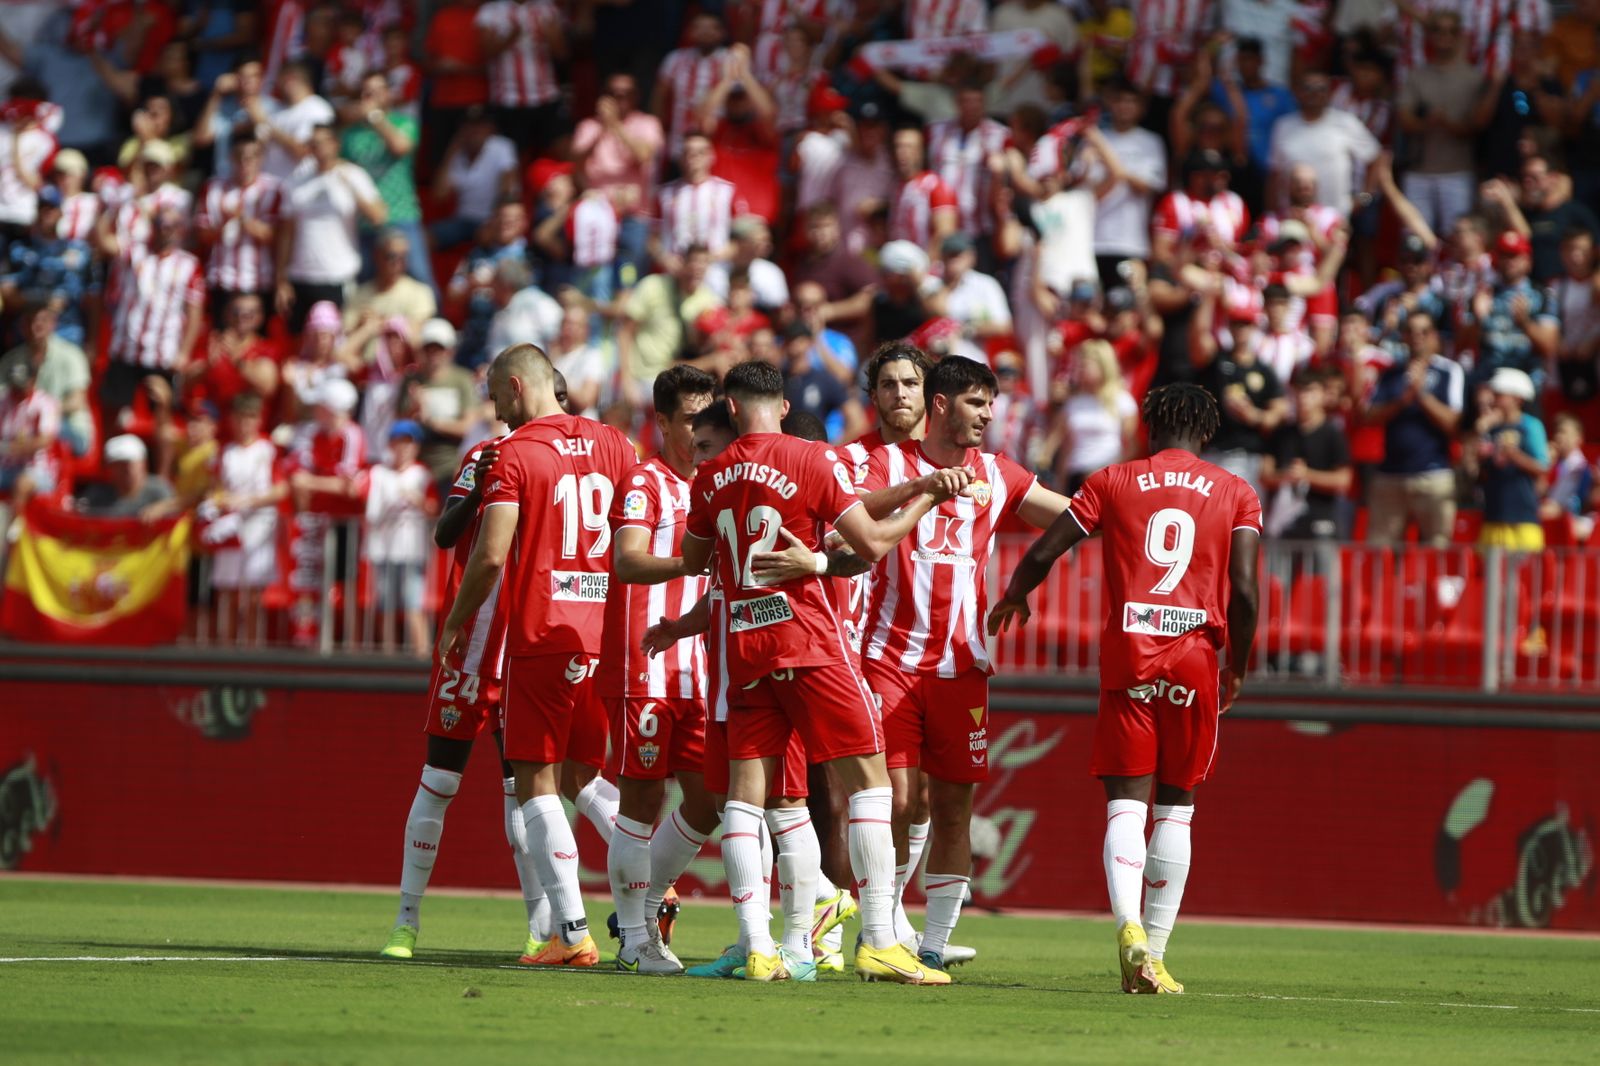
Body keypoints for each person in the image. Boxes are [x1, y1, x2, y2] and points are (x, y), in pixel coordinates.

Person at [676, 359, 965, 984]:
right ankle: (882, 939)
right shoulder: (811, 460)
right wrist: (925, 499)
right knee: (869, 783)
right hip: (809, 643)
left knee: (745, 801)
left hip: (745, 652)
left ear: (729, 409)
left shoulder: (710, 475)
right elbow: (873, 545)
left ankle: (758, 946)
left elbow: (694, 557)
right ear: (782, 406)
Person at [989, 383, 1262, 996]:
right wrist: (1237, 665)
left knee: (1125, 806)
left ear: (1149, 425)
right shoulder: (1237, 491)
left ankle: (1129, 926)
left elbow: (1047, 547)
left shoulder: (1111, 481)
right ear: (1207, 431)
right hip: (1193, 657)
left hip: (1129, 655)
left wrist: (1015, 595)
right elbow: (1244, 591)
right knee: (1177, 807)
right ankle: (1157, 955)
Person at [850, 356, 1069, 974]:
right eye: (977, 403)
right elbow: (851, 511)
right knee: (889, 800)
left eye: (991, 404)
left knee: (950, 807)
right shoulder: (892, 464)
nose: (988, 415)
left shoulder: (996, 474)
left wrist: (1027, 579)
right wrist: (920, 490)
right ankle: (882, 928)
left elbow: (1072, 517)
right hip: (888, 660)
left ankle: (935, 941)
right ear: (941, 404)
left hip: (962, 665)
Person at [436, 344, 637, 969]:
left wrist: (455, 620)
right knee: (586, 779)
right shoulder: (616, 443)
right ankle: (654, 882)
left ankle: (572, 932)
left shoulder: (517, 453)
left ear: (517, 386)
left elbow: (490, 553)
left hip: (542, 634)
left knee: (535, 781)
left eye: (498, 397)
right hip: (599, 635)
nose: (497, 410)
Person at [380, 429, 553, 964]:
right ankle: (406, 919)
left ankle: (541, 927)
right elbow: (445, 533)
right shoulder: (485, 452)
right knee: (439, 779)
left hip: (530, 641)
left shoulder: (571, 454)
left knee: (524, 793)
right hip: (476, 639)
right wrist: (478, 489)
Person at [599, 365, 720, 975]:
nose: (701, 430)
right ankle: (636, 939)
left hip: (703, 669)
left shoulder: (720, 482)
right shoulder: (645, 483)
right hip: (648, 664)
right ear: (665, 421)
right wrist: (689, 562)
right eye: (691, 418)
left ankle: (639, 911)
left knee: (712, 799)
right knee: (641, 799)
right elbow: (626, 560)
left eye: (710, 416)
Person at [1361, 312, 1465, 547]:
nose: (1417, 337)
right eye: (1411, 331)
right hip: (1390, 475)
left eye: (1424, 331)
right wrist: (1403, 400)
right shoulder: (1391, 373)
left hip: (1434, 475)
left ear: (1434, 336)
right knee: (1380, 552)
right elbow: (1369, 416)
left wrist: (1421, 395)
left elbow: (1453, 424)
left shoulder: (1449, 371)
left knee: (1436, 551)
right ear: (1404, 336)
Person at [276, 123, 387, 333]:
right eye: (313, 143)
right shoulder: (296, 181)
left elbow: (379, 216)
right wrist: (281, 279)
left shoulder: (354, 175)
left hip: (337, 275)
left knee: (335, 340)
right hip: (300, 276)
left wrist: (349, 184)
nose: (318, 148)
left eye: (323, 142)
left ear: (335, 143)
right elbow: (286, 234)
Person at [103, 208, 206, 428]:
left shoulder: (189, 265)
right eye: (161, 225)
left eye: (172, 226)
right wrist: (113, 208)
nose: (165, 231)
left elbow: (194, 313)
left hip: (162, 354)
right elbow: (103, 242)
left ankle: (159, 464)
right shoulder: (135, 252)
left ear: (180, 230)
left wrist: (184, 352)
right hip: (126, 348)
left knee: (162, 416)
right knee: (115, 417)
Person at [206, 394, 285, 648]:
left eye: (250, 418)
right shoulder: (224, 452)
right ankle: (226, 648)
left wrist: (249, 501)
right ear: (232, 420)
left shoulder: (268, 450)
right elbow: (215, 489)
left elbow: (281, 489)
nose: (245, 424)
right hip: (231, 526)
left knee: (253, 594)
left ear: (258, 420)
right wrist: (219, 502)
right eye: (240, 418)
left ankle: (251, 649)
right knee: (227, 591)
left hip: (260, 526)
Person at [342, 71, 432, 292]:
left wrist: (374, 116)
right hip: (365, 221)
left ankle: (434, 323)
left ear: (389, 94)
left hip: (401, 215)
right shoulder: (350, 135)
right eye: (366, 92)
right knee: (367, 283)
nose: (370, 97)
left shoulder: (404, 123)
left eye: (377, 91)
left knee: (420, 278)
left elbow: (400, 146)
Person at [365, 421, 436, 656]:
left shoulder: (422, 474)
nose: (403, 449)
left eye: (408, 444)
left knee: (413, 604)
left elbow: (433, 508)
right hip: (383, 549)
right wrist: (391, 506)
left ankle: (422, 654)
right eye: (399, 443)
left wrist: (416, 500)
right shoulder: (378, 473)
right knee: (384, 605)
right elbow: (371, 512)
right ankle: (387, 655)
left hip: (412, 550)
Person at [1266, 71, 1381, 218]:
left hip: (1335, 219)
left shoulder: (1345, 122)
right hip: (1293, 218)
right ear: (1297, 92)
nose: (1314, 94)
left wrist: (1363, 199)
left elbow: (1377, 158)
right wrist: (1271, 214)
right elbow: (1274, 174)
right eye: (1308, 88)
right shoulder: (1283, 126)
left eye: (1321, 89)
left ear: (1329, 94)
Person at [196, 130, 281, 325]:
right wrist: (225, 223)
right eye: (240, 156)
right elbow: (202, 235)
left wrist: (242, 219)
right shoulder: (213, 188)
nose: (245, 162)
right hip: (221, 279)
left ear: (261, 158)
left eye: (251, 156)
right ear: (231, 157)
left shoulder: (272, 190)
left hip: (258, 280)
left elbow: (274, 236)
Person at [1259, 367, 1354, 540]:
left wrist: (1307, 475)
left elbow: (1344, 479)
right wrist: (1286, 476)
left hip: (1322, 518)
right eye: (1299, 391)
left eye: (1310, 391)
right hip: (1284, 520)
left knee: (1321, 566)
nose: (1303, 397)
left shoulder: (1333, 433)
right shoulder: (1281, 434)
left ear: (1324, 395)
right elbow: (1265, 475)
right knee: (1278, 567)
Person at [475, 0, 566, 157]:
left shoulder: (547, 8)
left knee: (557, 151)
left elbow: (562, 54)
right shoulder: (490, 11)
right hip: (508, 98)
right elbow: (485, 52)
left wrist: (551, 37)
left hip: (546, 96)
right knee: (513, 156)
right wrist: (510, 36)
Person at [1474, 367, 1551, 551]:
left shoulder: (1530, 426)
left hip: (1522, 518)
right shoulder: (1491, 428)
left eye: (1500, 394)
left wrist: (1513, 455)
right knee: (1491, 576)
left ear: (1518, 398)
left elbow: (1542, 467)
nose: (1494, 399)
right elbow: (1481, 472)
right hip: (1493, 516)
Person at [430, 106, 518, 251]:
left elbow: (507, 187)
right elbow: (439, 194)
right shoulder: (457, 154)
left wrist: (495, 220)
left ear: (490, 128)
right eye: (469, 126)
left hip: (491, 218)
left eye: (480, 126)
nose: (475, 131)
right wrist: (451, 150)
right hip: (463, 220)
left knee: (486, 236)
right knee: (424, 237)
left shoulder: (502, 146)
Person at [653, 131, 736, 269]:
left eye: (700, 152)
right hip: (676, 271)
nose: (694, 157)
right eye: (688, 152)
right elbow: (652, 238)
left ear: (711, 156)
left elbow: (739, 240)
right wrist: (665, 259)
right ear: (680, 158)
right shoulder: (665, 194)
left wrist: (714, 257)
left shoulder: (727, 191)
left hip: (715, 270)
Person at [80, 433, 176, 520]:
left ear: (143, 464)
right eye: (118, 465)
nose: (126, 470)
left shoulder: (159, 491)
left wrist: (162, 509)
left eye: (130, 464)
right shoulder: (96, 495)